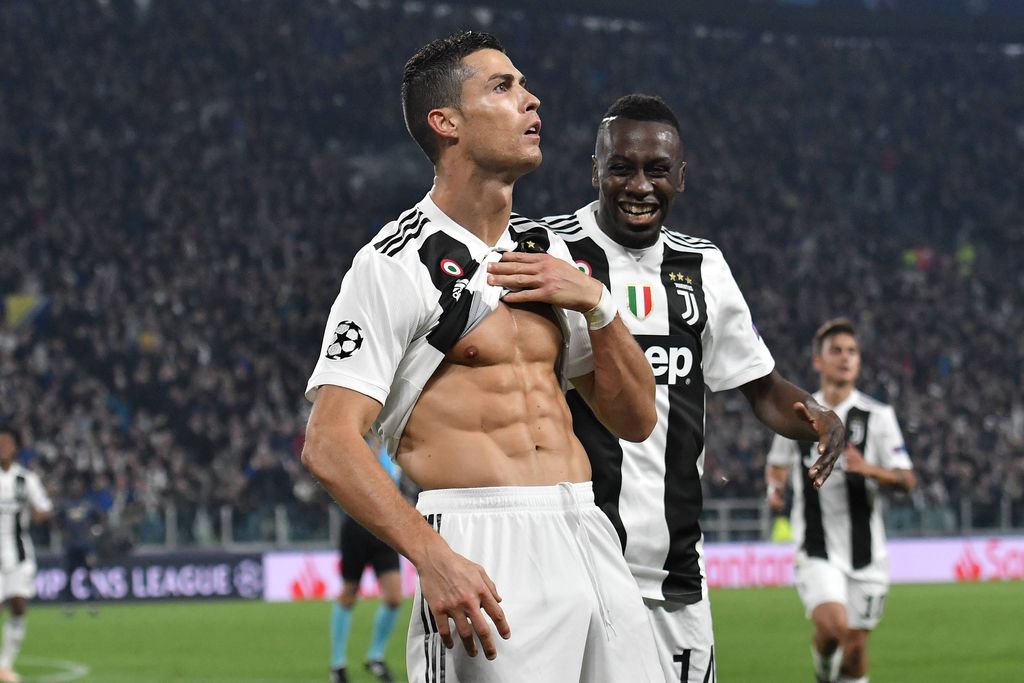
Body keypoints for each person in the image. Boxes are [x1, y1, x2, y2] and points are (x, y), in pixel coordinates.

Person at [301, 32, 666, 683]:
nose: (531, 100)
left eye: (523, 85)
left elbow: (636, 420)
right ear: (446, 123)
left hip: (589, 528)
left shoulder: (550, 254)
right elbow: (329, 442)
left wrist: (599, 304)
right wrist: (431, 555)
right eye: (503, 87)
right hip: (481, 540)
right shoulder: (394, 263)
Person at [544, 94, 846, 683]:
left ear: (680, 177)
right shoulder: (550, 250)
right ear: (595, 170)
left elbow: (762, 387)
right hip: (571, 565)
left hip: (673, 571)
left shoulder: (703, 267)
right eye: (621, 168)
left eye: (657, 170)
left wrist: (815, 412)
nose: (639, 186)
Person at [766, 318, 915, 683]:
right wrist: (775, 488)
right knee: (833, 628)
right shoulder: (801, 414)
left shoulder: (878, 417)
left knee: (856, 649)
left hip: (867, 554)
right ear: (818, 361)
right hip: (816, 547)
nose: (845, 358)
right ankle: (822, 673)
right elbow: (777, 464)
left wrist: (869, 469)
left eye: (852, 351)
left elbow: (907, 480)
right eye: (836, 351)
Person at [330, 436, 403, 683]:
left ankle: (375, 657)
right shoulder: (356, 441)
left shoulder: (393, 445)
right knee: (349, 593)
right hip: (357, 527)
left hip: (386, 528)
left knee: (394, 597)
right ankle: (338, 664)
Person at [0, 426, 53, 683]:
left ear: (15, 448)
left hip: (19, 551)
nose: (2, 447)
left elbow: (44, 508)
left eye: (7, 443)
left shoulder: (26, 479)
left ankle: (4, 666)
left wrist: (39, 514)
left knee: (19, 604)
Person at [55, 473, 104, 615]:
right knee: (69, 575)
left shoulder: (88, 503)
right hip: (71, 546)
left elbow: (101, 518)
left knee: (89, 574)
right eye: (73, 485)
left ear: (82, 487)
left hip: (86, 546)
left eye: (78, 485)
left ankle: (92, 602)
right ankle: (68, 603)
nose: (76, 488)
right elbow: (56, 520)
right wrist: (62, 532)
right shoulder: (65, 504)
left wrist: (94, 531)